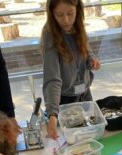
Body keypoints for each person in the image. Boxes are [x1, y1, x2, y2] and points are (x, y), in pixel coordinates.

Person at [42, 0, 101, 139]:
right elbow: (52, 78)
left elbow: (86, 49)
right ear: (51, 13)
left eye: (70, 13)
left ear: (77, 10)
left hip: (85, 94)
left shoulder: (79, 25)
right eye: (59, 15)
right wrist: (52, 114)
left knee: (89, 137)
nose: (66, 20)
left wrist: (91, 60)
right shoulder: (49, 34)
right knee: (69, 140)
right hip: (64, 100)